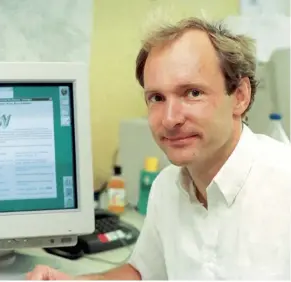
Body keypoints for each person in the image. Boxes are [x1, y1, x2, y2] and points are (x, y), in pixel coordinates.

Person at [26, 16, 291, 280]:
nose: (170, 118)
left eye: (192, 93)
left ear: (240, 96)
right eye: (157, 98)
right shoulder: (166, 188)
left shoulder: (283, 186)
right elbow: (143, 273)